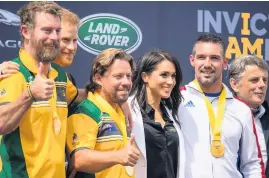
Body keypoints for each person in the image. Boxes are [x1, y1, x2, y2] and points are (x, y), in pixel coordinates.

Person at [0, 2, 78, 177]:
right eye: (47, 30)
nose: (54, 37)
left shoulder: (59, 75)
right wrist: (30, 94)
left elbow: (79, 97)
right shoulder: (13, 73)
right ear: (26, 32)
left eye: (57, 31)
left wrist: (117, 101)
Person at [179, 33, 265, 178]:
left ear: (225, 63)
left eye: (214, 58)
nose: (207, 64)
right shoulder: (177, 100)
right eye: (201, 57)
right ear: (192, 60)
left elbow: (252, 164)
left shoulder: (241, 109)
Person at [66, 48, 140, 178]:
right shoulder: (87, 111)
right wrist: (118, 156)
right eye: (118, 76)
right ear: (98, 79)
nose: (126, 82)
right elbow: (79, 159)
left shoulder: (119, 110)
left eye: (128, 76)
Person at [128, 50, 185, 178]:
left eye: (173, 76)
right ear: (145, 77)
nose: (170, 81)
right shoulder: (128, 110)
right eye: (164, 75)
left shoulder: (172, 113)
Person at [228, 55, 269, 177]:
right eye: (254, 80)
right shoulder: (221, 116)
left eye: (265, 80)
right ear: (235, 84)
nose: (262, 85)